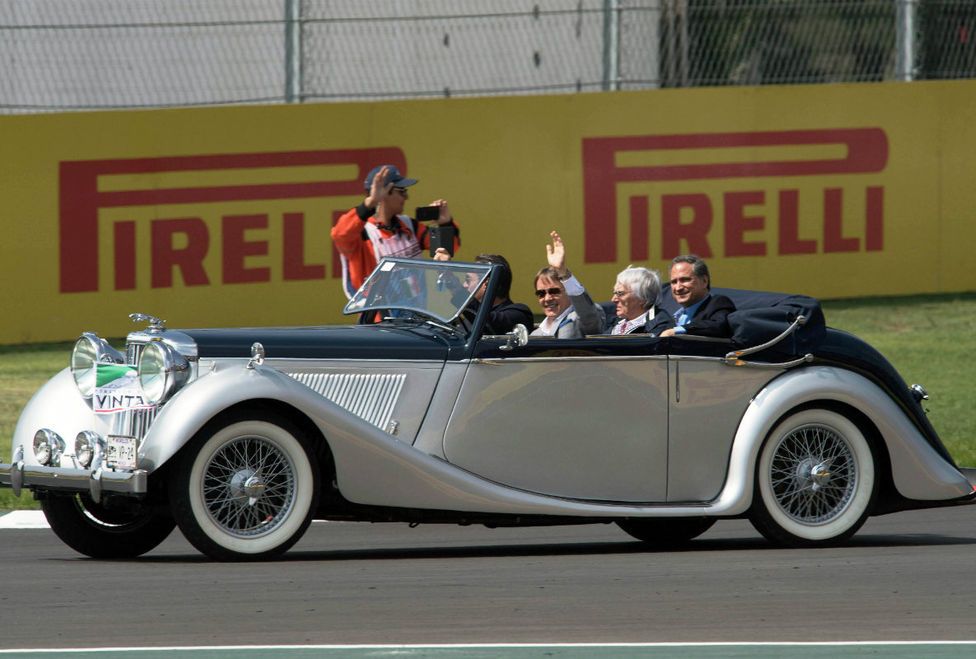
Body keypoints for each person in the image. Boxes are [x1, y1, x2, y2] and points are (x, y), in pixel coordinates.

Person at [331, 164, 460, 299]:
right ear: (384, 193)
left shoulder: (409, 226)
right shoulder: (363, 234)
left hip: (415, 316)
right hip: (377, 318)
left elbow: (448, 250)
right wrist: (370, 203)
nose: (406, 197)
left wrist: (445, 223)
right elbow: (339, 234)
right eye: (402, 191)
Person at [531, 231, 605, 338]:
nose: (547, 298)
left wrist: (563, 272)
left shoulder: (579, 318)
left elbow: (589, 317)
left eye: (554, 291)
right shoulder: (534, 335)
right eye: (541, 293)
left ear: (567, 290)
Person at [659, 254, 736, 338]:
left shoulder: (718, 303)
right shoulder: (674, 317)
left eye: (685, 280)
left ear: (704, 281)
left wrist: (677, 331)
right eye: (674, 282)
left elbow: (718, 325)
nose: (678, 288)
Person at [605, 266, 673, 336]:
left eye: (620, 293)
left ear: (642, 297)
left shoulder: (660, 325)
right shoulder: (616, 323)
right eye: (615, 293)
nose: (613, 300)